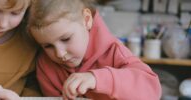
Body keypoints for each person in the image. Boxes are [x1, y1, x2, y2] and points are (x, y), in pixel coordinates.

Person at [28, 0, 162, 99]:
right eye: (48, 46)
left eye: (66, 39)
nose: (60, 53)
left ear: (86, 20)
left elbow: (152, 91)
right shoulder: (45, 65)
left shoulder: (115, 52)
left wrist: (97, 78)